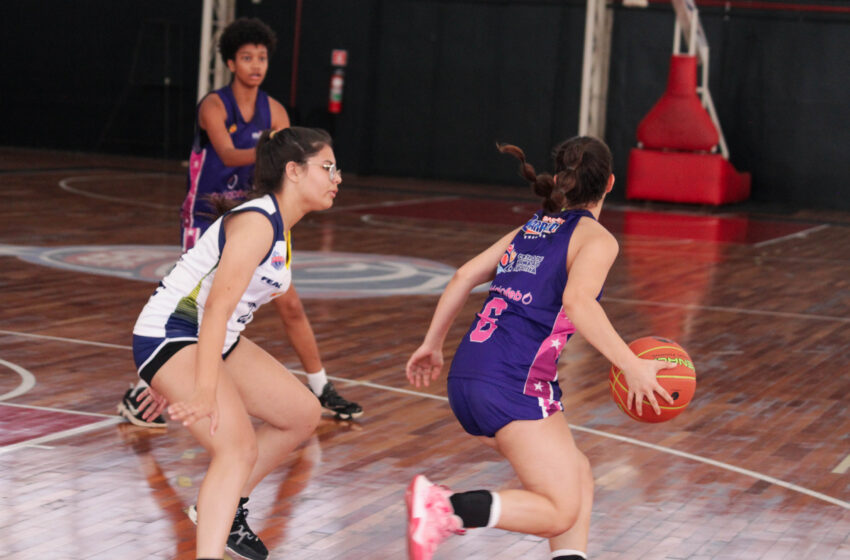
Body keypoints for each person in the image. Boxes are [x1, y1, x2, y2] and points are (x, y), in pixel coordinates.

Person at [403, 137, 677, 560]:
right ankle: (446, 509)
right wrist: (632, 365)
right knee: (558, 511)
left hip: (470, 373)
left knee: (578, 472)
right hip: (512, 380)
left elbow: (462, 276)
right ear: (609, 183)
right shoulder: (596, 239)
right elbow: (578, 303)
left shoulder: (531, 227)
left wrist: (432, 344)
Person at [117, 18, 361, 429]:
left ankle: (319, 386)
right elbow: (230, 154)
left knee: (290, 305)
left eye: (262, 58)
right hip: (208, 218)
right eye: (247, 57)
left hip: (260, 216)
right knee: (195, 307)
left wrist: (285, 162)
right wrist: (276, 155)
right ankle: (146, 390)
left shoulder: (276, 110)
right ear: (231, 62)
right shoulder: (214, 105)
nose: (256, 65)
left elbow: (287, 168)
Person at [131, 126, 343, 560]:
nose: (337, 177)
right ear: (294, 171)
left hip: (210, 338)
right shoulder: (257, 223)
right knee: (236, 448)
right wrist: (202, 387)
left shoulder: (280, 228)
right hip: (174, 333)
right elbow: (213, 310)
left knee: (302, 413)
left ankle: (227, 508)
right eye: (328, 167)